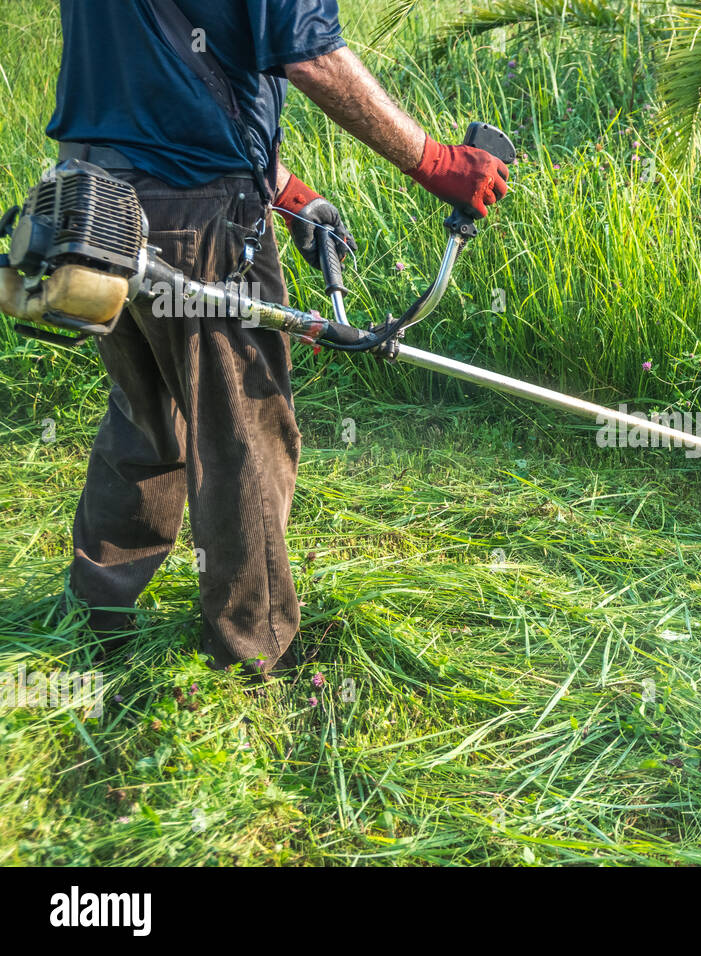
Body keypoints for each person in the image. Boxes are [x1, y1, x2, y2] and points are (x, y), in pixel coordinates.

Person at [47, 0, 508, 676]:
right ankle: (250, 656)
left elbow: (157, 69)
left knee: (148, 418)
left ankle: (96, 616)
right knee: (244, 436)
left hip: (91, 200)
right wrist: (439, 163)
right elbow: (310, 54)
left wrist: (285, 191)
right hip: (197, 209)